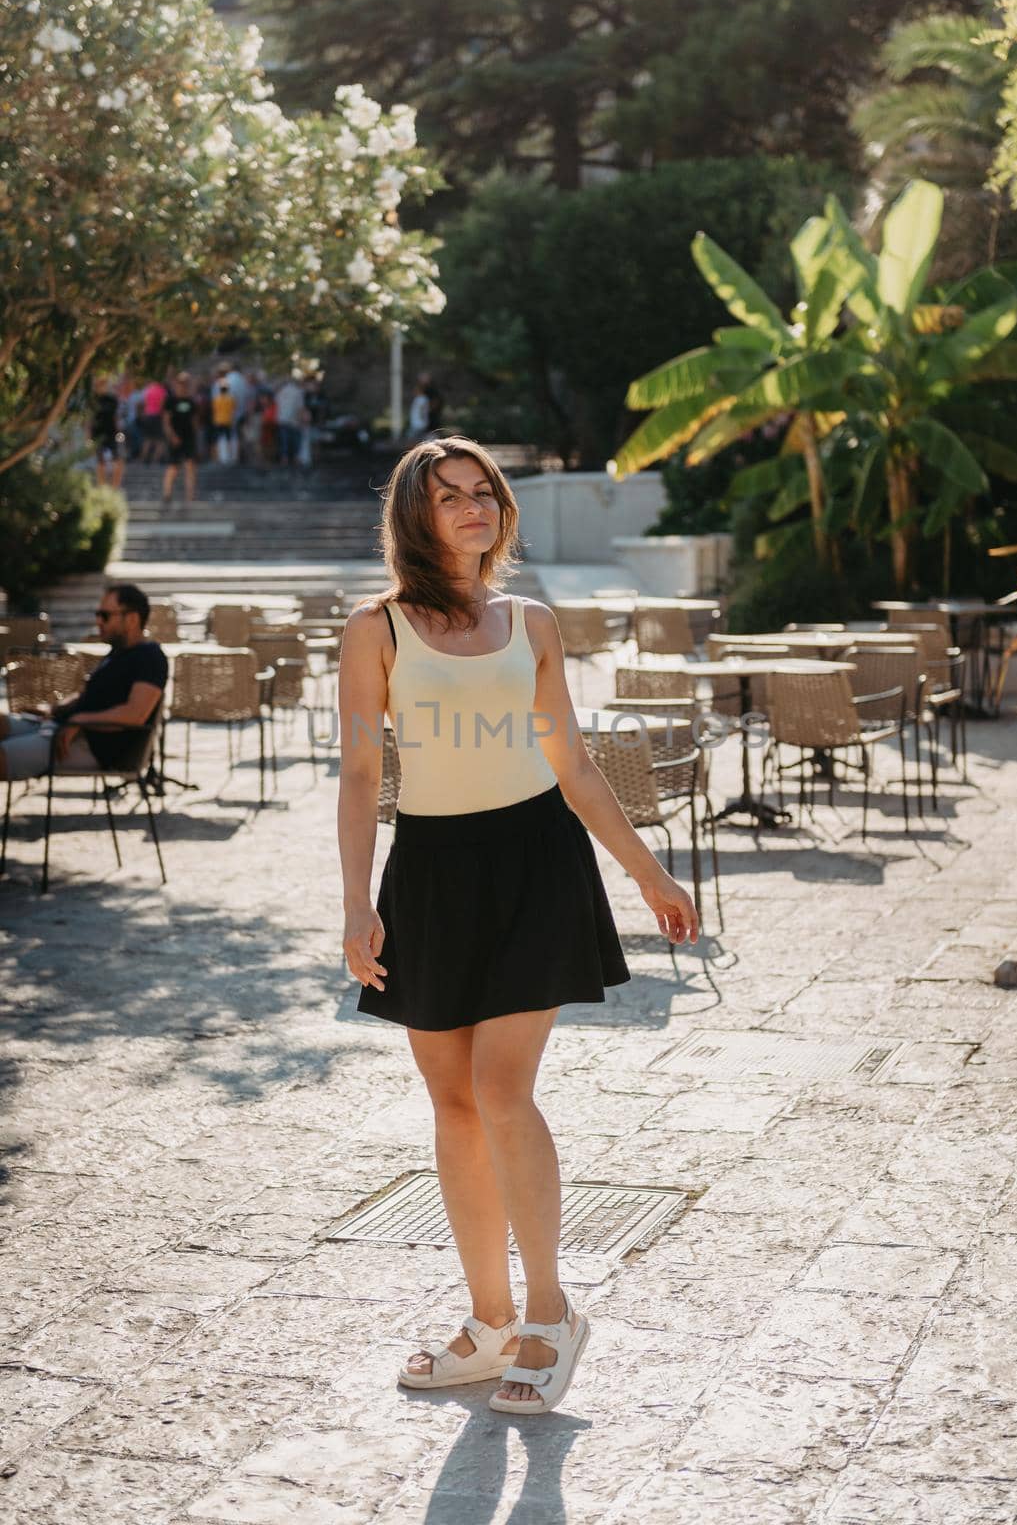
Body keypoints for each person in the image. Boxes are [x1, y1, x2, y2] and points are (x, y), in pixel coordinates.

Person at [337, 436, 699, 1414]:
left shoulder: (532, 622)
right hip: (432, 874)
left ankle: (549, 1311)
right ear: (416, 517)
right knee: (451, 1099)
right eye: (449, 496)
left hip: (536, 863)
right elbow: (364, 775)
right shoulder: (376, 630)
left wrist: (650, 873)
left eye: (483, 492)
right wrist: (356, 902)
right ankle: (490, 1320)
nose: (473, 506)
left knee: (501, 1087)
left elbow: (575, 768)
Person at [0, 583, 167, 782]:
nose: (98, 621)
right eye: (98, 614)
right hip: (64, 726)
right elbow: (89, 696)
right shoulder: (118, 651)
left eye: (105, 615)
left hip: (94, 746)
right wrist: (53, 709)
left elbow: (135, 714)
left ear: (132, 619)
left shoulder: (150, 658)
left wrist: (79, 720)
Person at [162, 371, 200, 504]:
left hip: (188, 437)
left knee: (190, 466)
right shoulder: (170, 401)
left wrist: (195, 437)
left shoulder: (191, 402)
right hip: (175, 438)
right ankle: (167, 494)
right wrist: (172, 436)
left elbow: (195, 421)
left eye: (186, 383)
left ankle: (190, 496)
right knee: (173, 467)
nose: (183, 386)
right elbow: (166, 421)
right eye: (181, 383)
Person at [89, 376, 124, 490]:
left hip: (111, 433)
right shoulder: (92, 400)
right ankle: (102, 488)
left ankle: (115, 488)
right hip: (97, 434)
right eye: (100, 383)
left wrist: (120, 433)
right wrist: (88, 437)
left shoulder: (112, 399)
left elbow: (116, 417)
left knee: (118, 461)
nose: (102, 386)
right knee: (101, 463)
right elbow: (88, 420)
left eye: (104, 383)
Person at [273, 374, 306, 468]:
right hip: (293, 419)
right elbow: (300, 407)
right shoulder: (298, 392)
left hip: (281, 418)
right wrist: (301, 420)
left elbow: (276, 403)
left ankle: (284, 458)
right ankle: (295, 458)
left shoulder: (281, 391)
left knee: (284, 440)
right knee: (295, 439)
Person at [139, 376, 169, 468]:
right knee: (161, 440)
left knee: (148, 439)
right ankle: (155, 460)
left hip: (147, 415)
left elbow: (143, 403)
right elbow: (163, 404)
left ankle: (144, 459)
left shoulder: (147, 389)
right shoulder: (162, 390)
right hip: (157, 416)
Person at [210, 371, 237, 465]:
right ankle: (229, 457)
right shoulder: (231, 399)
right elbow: (233, 410)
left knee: (217, 439)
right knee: (228, 439)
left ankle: (217, 458)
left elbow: (214, 410)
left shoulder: (216, 399)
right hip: (228, 420)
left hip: (218, 420)